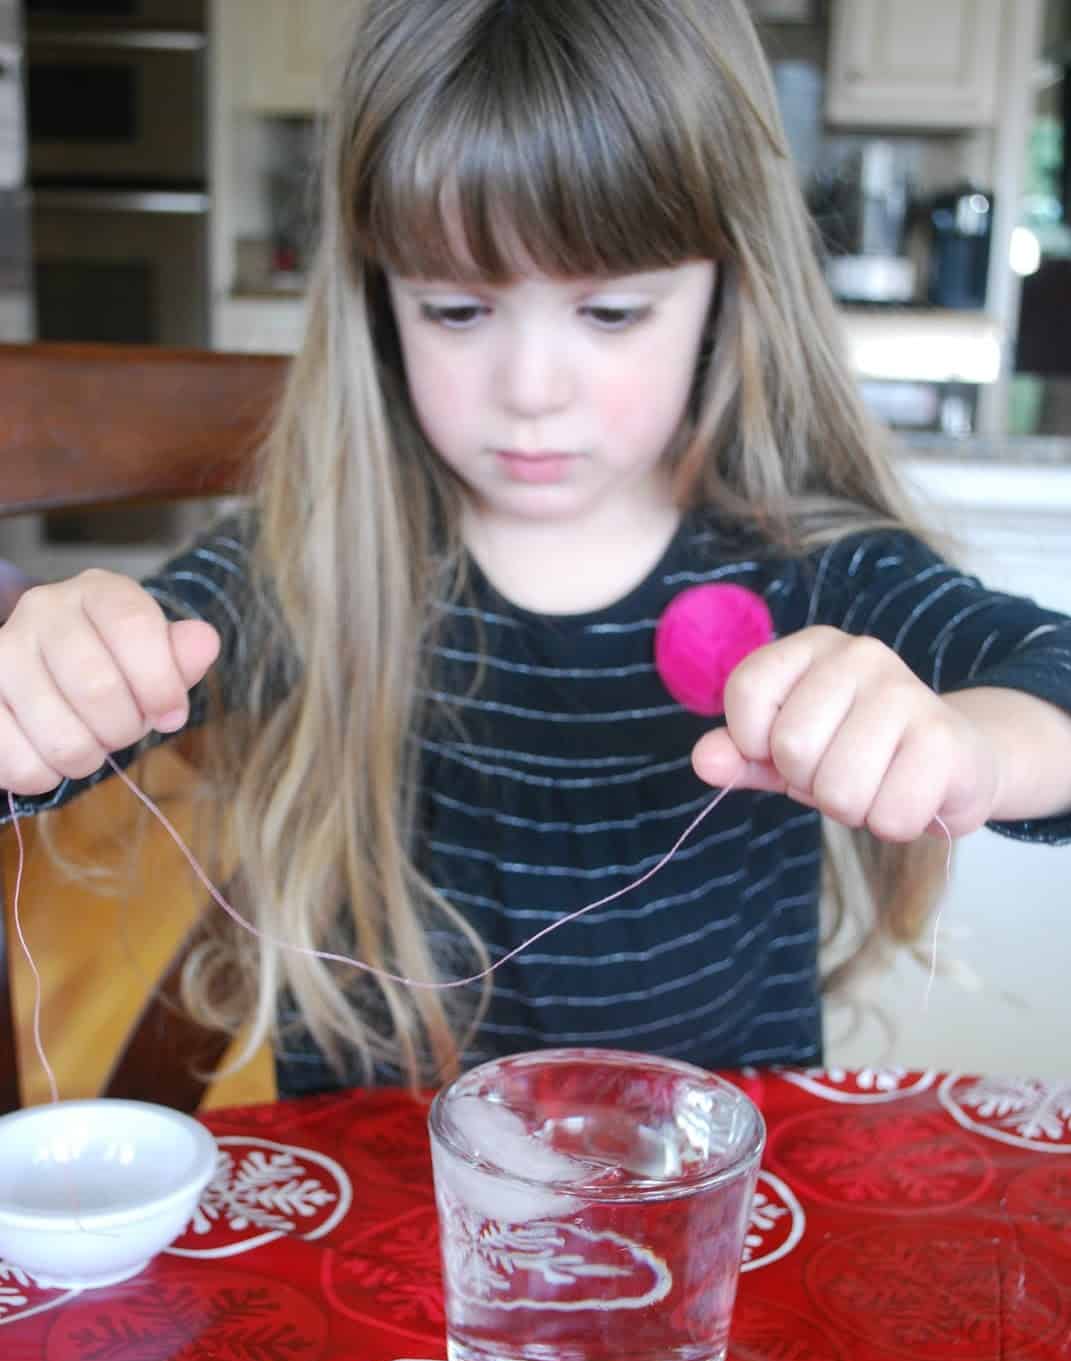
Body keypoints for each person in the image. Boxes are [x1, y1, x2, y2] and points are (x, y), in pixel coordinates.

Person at [3, 0, 1071, 1099]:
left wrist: (973, 753)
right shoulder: (319, 561)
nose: (530, 391)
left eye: (610, 313)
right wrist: (50, 684)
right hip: (394, 1209)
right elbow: (61, 723)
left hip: (690, 1213)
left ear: (727, 293)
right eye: (457, 311)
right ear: (381, 306)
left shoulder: (809, 563)